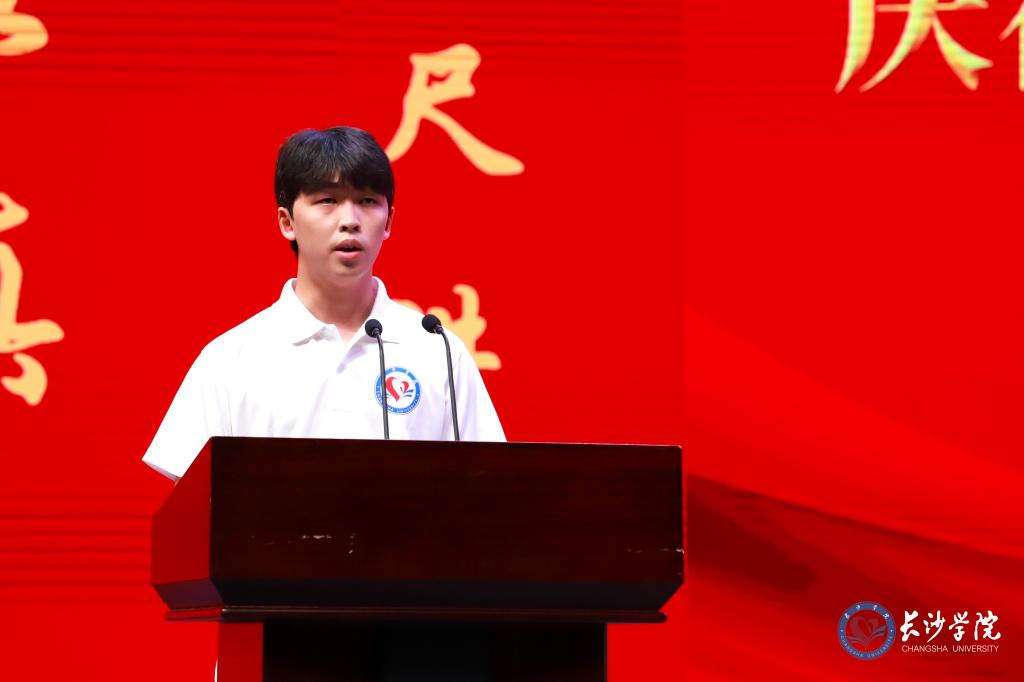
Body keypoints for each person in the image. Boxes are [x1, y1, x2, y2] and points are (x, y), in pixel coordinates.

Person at [142, 126, 504, 481]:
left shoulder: (437, 350)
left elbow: (486, 486)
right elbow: (195, 502)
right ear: (287, 221)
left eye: (367, 201)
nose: (350, 221)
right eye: (327, 201)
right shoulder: (230, 359)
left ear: (389, 220)